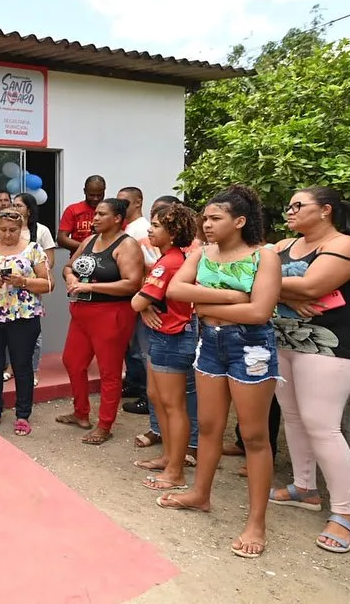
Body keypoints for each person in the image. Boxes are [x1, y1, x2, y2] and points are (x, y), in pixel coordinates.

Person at [160, 184, 282, 560]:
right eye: (205, 218)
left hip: (251, 347)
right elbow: (176, 291)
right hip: (209, 344)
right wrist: (231, 298)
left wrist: (206, 306)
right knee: (210, 427)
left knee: (254, 435)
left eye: (215, 218)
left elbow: (260, 313)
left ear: (240, 221)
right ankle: (200, 494)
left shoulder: (265, 257)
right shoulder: (202, 253)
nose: (206, 224)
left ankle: (256, 522)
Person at [268, 186, 350, 554]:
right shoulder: (282, 246)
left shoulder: (345, 244)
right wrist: (291, 293)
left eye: (298, 206)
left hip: (330, 346)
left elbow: (313, 285)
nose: (290, 212)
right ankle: (304, 487)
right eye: (289, 206)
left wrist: (278, 288)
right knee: (293, 418)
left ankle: (345, 515)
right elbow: (242, 273)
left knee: (322, 426)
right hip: (284, 340)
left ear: (325, 210)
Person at [57, 197, 142, 445]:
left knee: (109, 371)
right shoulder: (90, 240)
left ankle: (105, 425)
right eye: (95, 214)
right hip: (82, 313)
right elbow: (68, 266)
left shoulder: (127, 245)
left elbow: (132, 283)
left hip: (111, 314)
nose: (94, 218)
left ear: (117, 219)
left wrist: (90, 286)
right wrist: (71, 277)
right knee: (72, 362)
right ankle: (81, 413)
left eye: (101, 215)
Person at [129, 202, 200, 491]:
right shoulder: (169, 259)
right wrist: (145, 307)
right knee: (158, 397)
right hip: (164, 337)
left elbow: (137, 301)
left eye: (156, 225)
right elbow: (145, 303)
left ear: (172, 232)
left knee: (173, 406)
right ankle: (169, 458)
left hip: (172, 338)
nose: (150, 228)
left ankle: (175, 471)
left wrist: (143, 306)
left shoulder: (169, 262)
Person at [0, 210, 53, 436]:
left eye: (13, 230)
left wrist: (23, 281)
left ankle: (23, 414)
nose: (7, 235)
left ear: (21, 228)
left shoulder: (34, 250)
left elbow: (48, 284)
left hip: (23, 316)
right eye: (3, 230)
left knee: (22, 365)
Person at [2, 192, 56, 384]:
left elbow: (49, 260)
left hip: (30, 289)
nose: (14, 208)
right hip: (7, 290)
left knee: (33, 333)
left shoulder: (41, 231)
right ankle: (11, 367)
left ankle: (32, 370)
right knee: (8, 329)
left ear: (29, 210)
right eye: (13, 205)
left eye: (19, 205)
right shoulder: (6, 228)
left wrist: (27, 277)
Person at [118, 186, 151, 414]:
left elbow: (151, 264)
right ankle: (134, 383)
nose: (121, 207)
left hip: (143, 296)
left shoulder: (141, 230)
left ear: (138, 202)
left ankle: (147, 397)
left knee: (142, 349)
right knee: (132, 347)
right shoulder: (129, 228)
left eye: (125, 202)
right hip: (132, 297)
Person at [57, 175, 105, 253]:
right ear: (85, 191)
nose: (95, 199)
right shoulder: (72, 210)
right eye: (91, 195)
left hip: (107, 258)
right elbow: (61, 239)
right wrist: (87, 247)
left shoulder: (112, 210)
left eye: (99, 195)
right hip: (79, 258)